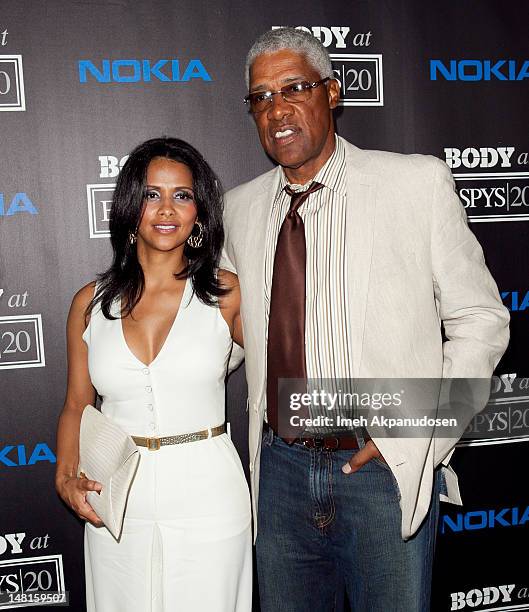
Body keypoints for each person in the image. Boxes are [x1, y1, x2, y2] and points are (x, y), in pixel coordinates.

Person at [221, 27, 510, 611]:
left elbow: (481, 317)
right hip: (277, 472)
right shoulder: (241, 207)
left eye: (294, 88)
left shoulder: (414, 183)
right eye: (260, 97)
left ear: (332, 92)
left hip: (380, 468)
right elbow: (227, 334)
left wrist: (417, 429)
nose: (276, 109)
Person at [55, 137, 252, 612]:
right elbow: (77, 404)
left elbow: (294, 364)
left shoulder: (228, 295)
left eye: (182, 195)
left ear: (199, 212)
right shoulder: (89, 303)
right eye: (151, 194)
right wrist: (65, 476)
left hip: (209, 494)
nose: (167, 209)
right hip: (116, 497)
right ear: (130, 206)